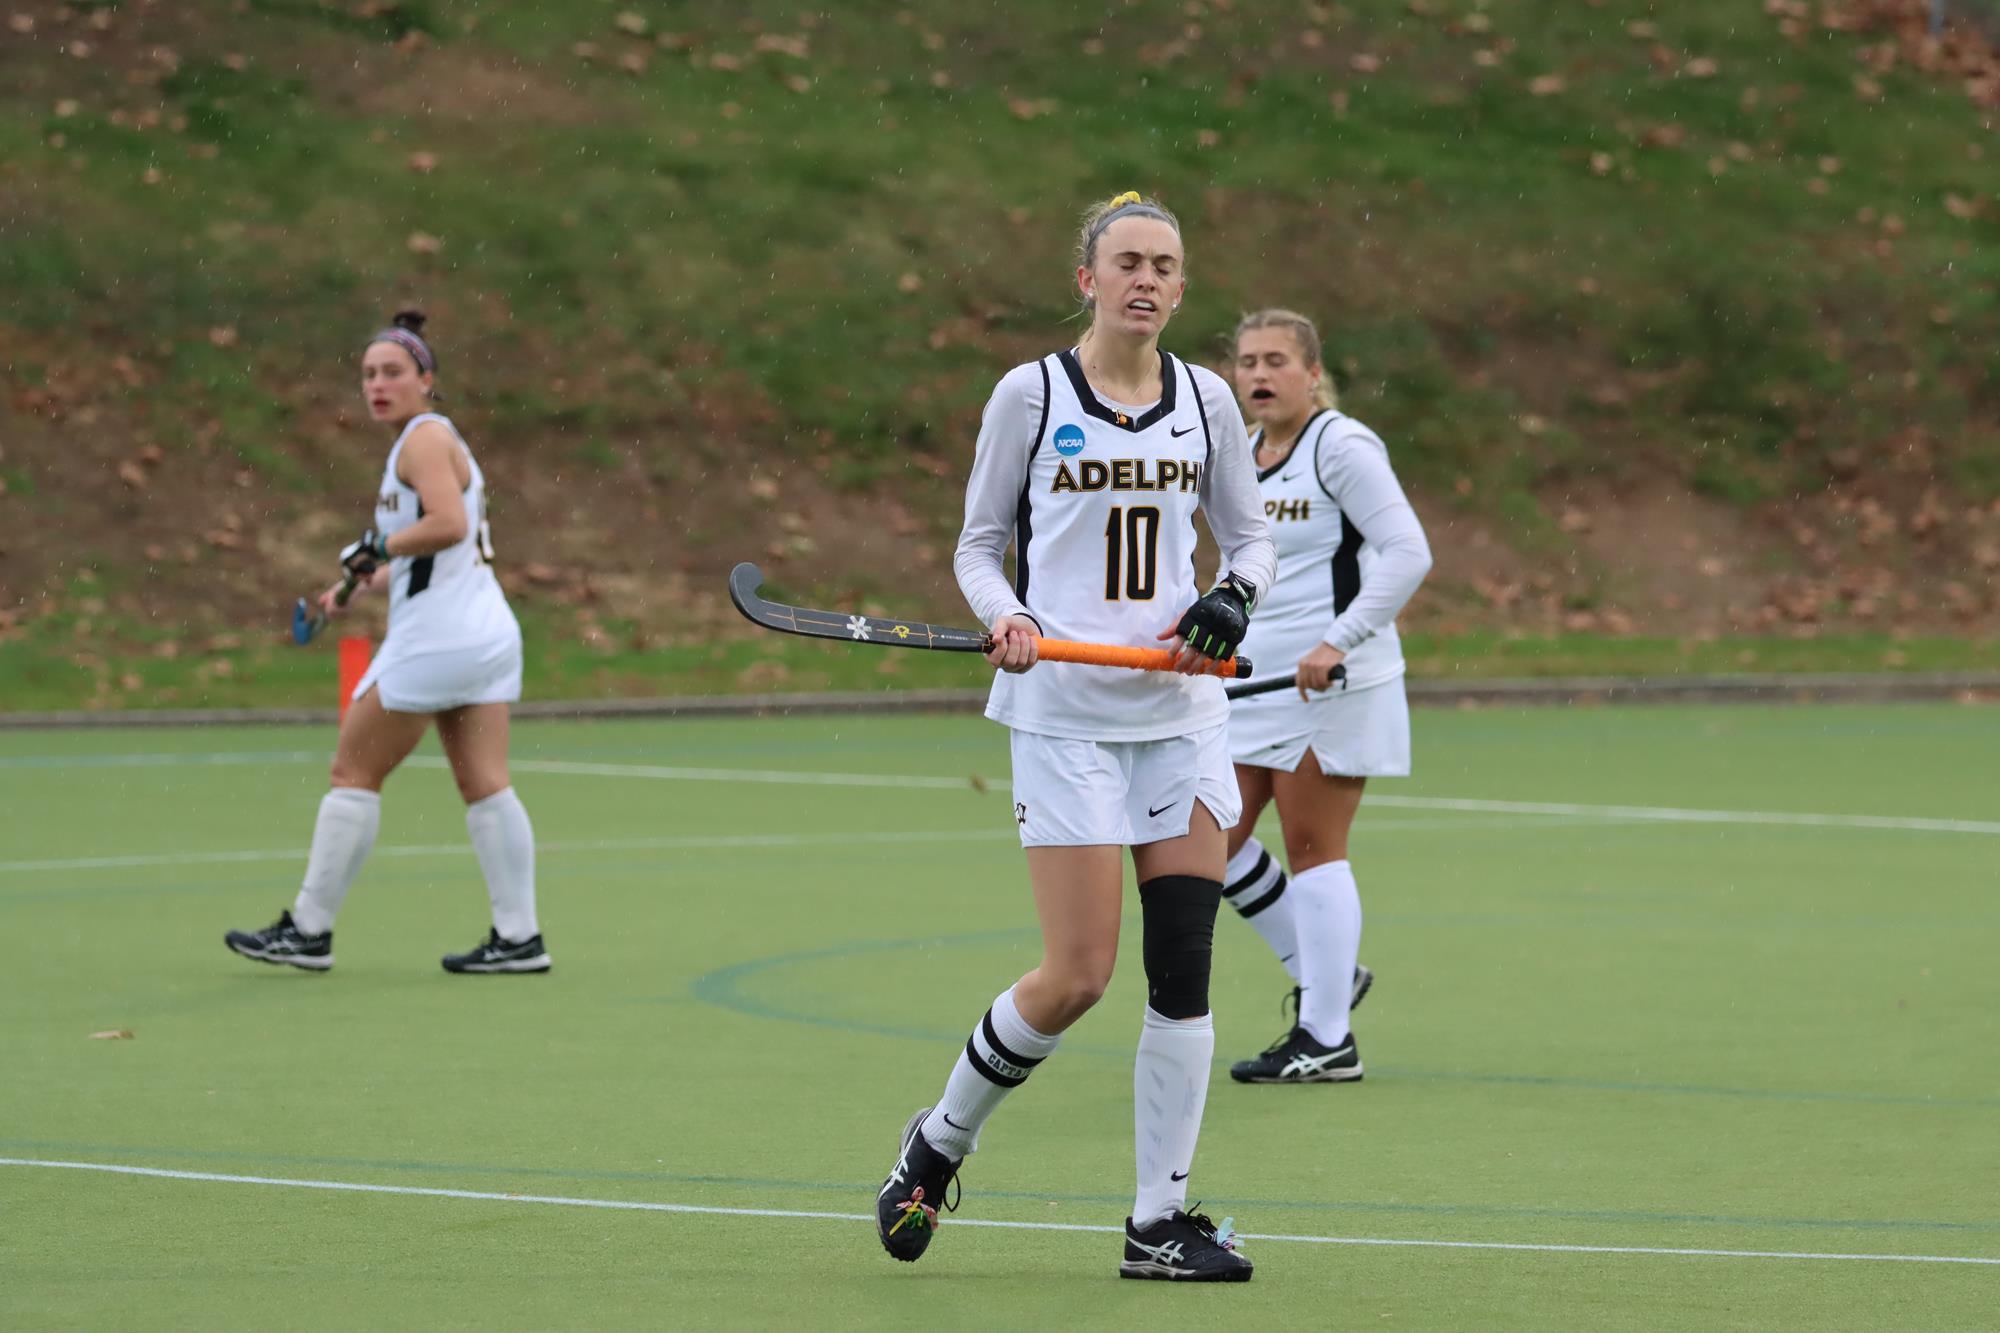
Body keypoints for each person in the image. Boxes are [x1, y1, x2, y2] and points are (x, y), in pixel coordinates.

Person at [873, 192, 1276, 1282]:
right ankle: (937, 1141)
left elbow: (1247, 536)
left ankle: (1159, 1222)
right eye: (1127, 262)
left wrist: (1230, 598)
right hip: (1062, 718)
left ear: (1181, 288)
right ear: (1086, 280)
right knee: (1077, 974)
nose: (1146, 280)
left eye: (1165, 266)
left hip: (1178, 714)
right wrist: (1005, 617)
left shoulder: (1204, 400)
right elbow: (977, 544)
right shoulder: (1030, 394)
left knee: (1182, 966)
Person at [224, 311, 549, 976]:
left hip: (438, 639)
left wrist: (379, 544)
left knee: (352, 772)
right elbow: (430, 544)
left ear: (426, 379)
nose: (377, 384)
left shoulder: (422, 441)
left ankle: (309, 931)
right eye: (368, 374)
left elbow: (448, 524)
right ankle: (520, 938)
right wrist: (360, 584)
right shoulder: (428, 440)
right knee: (485, 783)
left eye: (393, 372)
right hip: (484, 632)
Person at [1219, 309, 1432, 1083]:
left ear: (1313, 372)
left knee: (1313, 848)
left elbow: (1408, 551)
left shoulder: (1342, 446)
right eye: (1247, 361)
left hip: (1332, 683)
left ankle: (1327, 1034)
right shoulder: (1240, 451)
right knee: (1211, 841)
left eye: (1276, 359)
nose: (1259, 374)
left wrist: (1337, 640)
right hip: (1254, 682)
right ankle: (1327, 975)